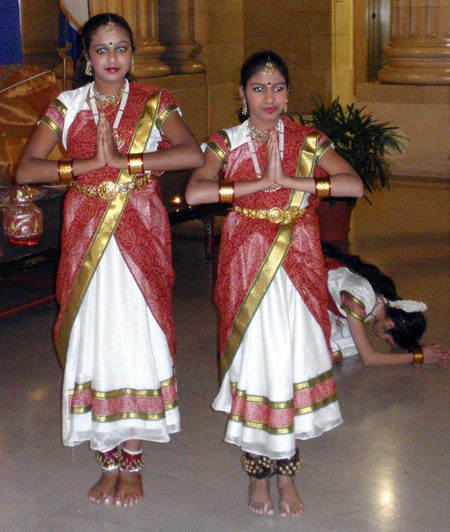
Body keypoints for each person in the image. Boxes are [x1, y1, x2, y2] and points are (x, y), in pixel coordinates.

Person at [16, 13, 203, 507]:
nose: (113, 59)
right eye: (102, 50)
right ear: (86, 57)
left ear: (132, 55)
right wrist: (86, 166)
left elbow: (191, 154)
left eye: (121, 48)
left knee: (137, 336)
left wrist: (128, 163)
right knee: (96, 335)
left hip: (140, 229)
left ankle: (134, 460)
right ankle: (107, 457)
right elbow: (26, 169)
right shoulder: (67, 104)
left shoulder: (156, 102)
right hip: (86, 236)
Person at [185, 50, 364, 517]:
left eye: (278, 87)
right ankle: (258, 477)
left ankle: (287, 477)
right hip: (247, 261)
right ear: (242, 94)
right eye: (259, 88)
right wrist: (257, 185)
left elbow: (352, 184)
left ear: (289, 92)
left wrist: (290, 181)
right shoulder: (225, 141)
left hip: (298, 262)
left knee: (290, 361)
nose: (270, 98)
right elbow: (196, 191)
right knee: (258, 363)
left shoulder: (307, 139)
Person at [322, 242, 450, 367]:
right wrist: (418, 357)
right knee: (332, 348)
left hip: (324, 300)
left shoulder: (383, 300)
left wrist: (420, 348)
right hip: (307, 293)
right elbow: (369, 358)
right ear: (388, 325)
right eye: (387, 340)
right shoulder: (359, 299)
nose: (382, 340)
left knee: (349, 345)